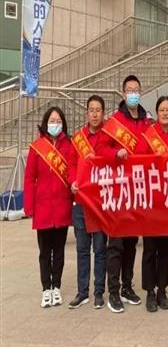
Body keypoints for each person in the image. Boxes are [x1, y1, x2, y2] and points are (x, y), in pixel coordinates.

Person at [101, 74, 152, 313]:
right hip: (118, 192)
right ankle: (113, 291)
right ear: (123, 93)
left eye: (136, 90)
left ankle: (126, 287)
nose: (133, 93)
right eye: (129, 90)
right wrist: (115, 154)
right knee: (116, 243)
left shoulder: (146, 122)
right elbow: (101, 148)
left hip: (137, 191)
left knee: (132, 242)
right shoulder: (115, 122)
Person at [24, 106, 77, 308]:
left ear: (63, 124)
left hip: (62, 206)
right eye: (52, 121)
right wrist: (29, 207)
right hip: (43, 208)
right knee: (45, 252)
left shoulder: (69, 146)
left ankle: (57, 288)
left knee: (60, 252)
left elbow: (72, 172)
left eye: (58, 121)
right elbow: (30, 178)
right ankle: (46, 289)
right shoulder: (37, 147)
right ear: (46, 123)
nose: (55, 124)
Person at [68, 95, 111, 310]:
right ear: (87, 113)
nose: (94, 114)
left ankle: (99, 292)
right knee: (82, 249)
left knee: (100, 249)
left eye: (98, 110)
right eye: (91, 110)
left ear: (103, 113)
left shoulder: (108, 136)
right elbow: (71, 165)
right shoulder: (78, 138)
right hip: (81, 202)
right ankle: (82, 292)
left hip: (100, 203)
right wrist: (73, 182)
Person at [140, 96, 168, 312]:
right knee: (149, 249)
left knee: (165, 249)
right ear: (157, 113)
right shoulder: (148, 136)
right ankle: (150, 292)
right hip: (150, 200)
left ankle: (162, 290)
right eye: (162, 110)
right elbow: (138, 164)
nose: (165, 113)